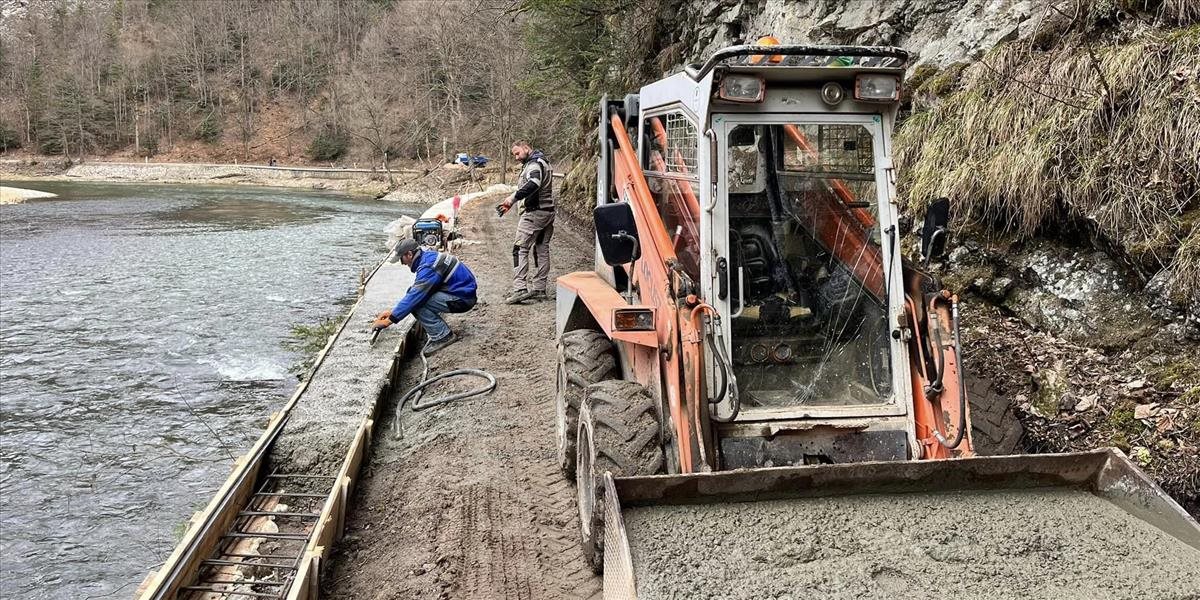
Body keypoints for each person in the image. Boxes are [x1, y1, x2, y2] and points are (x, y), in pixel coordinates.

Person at [372, 239, 478, 355]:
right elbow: (415, 291)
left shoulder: (428, 267)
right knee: (414, 295)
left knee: (416, 304)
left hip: (463, 299)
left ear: (409, 254)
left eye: (402, 259)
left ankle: (443, 336)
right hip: (461, 293)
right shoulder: (428, 257)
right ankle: (439, 332)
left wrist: (390, 320)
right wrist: (393, 312)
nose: (403, 263)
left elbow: (414, 297)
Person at [496, 141, 554, 304]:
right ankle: (539, 289)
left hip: (534, 214)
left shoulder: (534, 164)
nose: (516, 157)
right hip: (547, 212)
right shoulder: (544, 161)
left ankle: (520, 288)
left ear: (526, 148)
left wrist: (513, 198)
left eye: (517, 153)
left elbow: (534, 183)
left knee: (519, 248)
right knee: (541, 249)